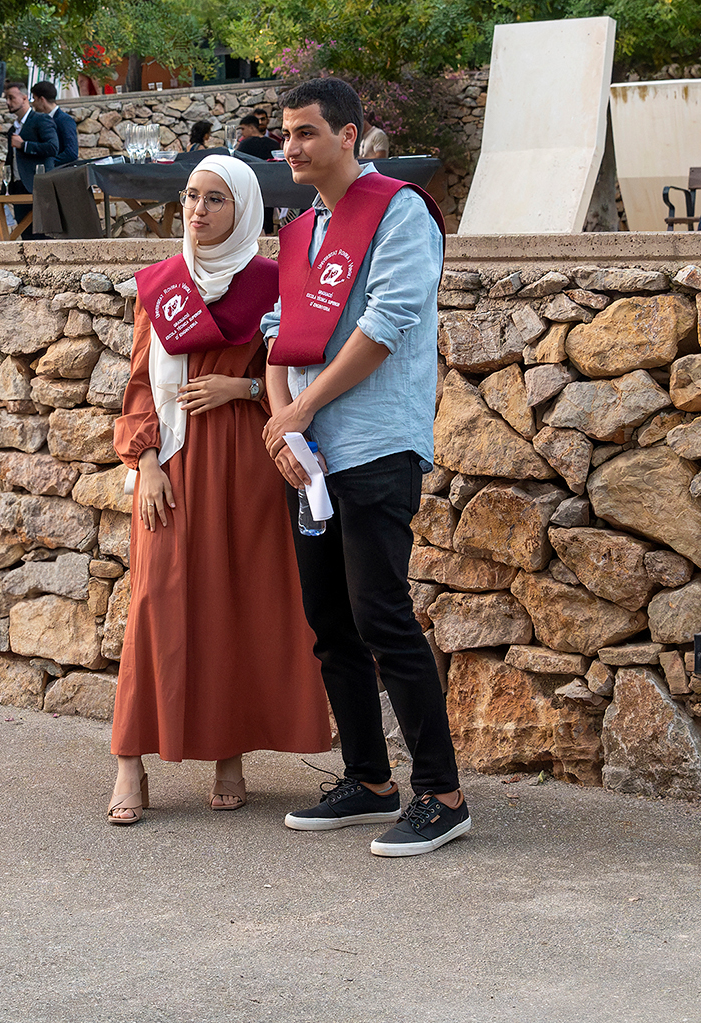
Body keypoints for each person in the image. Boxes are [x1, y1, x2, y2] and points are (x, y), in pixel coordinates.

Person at [260, 77, 464, 857]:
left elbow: (386, 325)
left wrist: (301, 410)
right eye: (286, 133)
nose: (291, 147)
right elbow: (278, 332)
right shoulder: (301, 231)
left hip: (377, 443)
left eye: (306, 132)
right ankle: (368, 778)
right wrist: (284, 423)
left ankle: (442, 794)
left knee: (381, 613)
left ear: (349, 135)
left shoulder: (399, 211)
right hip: (311, 456)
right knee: (329, 619)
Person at [108, 155, 329, 825]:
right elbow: (141, 384)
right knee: (155, 603)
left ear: (244, 209)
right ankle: (129, 761)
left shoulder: (272, 282)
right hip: (174, 466)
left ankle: (229, 754)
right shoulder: (162, 285)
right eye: (190, 197)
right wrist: (146, 461)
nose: (197, 210)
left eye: (214, 199)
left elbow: (298, 375)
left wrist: (242, 386)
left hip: (249, 462)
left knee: (235, 601)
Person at [3, 82, 56, 236]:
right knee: (25, 237)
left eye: (11, 98)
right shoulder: (13, 129)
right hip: (18, 189)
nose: (8, 102)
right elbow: (10, 161)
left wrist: (24, 145)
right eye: (6, 98)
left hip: (38, 188)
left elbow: (52, 147)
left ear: (25, 98)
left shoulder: (41, 119)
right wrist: (4, 191)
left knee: (43, 237)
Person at [28, 81, 79, 167]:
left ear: (42, 100)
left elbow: (71, 153)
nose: (33, 104)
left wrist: (47, 163)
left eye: (34, 99)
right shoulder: (40, 120)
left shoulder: (64, 120)